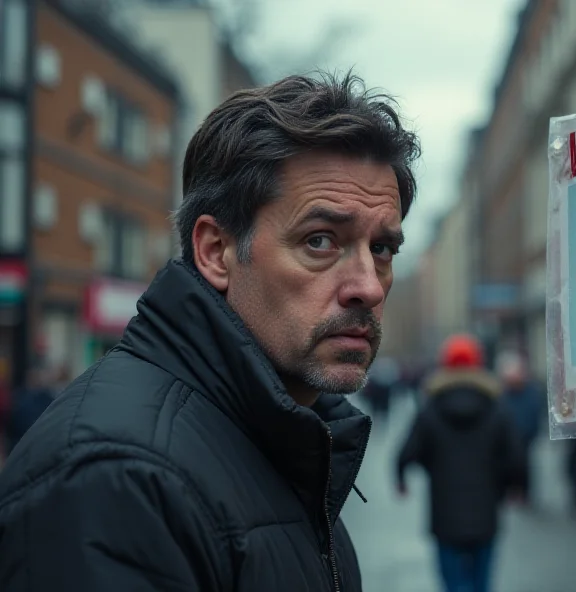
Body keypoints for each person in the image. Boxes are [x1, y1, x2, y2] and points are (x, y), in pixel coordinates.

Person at [0, 71, 421, 591]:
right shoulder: (113, 481)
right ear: (215, 252)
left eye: (381, 249)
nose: (368, 288)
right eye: (320, 241)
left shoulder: (293, 441)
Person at [396, 334, 527, 592]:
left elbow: (408, 452)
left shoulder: (430, 408)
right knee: (482, 583)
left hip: (445, 515)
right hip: (486, 513)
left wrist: (401, 478)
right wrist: (518, 487)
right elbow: (516, 455)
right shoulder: (496, 407)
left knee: (453, 583)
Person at [497, 350, 544, 506]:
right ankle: (512, 490)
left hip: (525, 435)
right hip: (513, 434)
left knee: (524, 464)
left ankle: (523, 491)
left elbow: (533, 412)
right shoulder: (504, 394)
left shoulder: (530, 392)